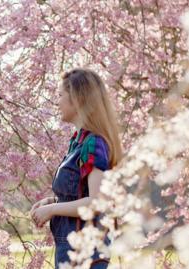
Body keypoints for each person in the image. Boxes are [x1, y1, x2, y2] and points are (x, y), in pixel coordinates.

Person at [30, 69, 122, 269]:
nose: (58, 102)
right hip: (71, 249)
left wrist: (52, 209)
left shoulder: (93, 143)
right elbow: (81, 193)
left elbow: (95, 203)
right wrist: (52, 201)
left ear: (77, 99)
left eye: (61, 95)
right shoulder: (78, 142)